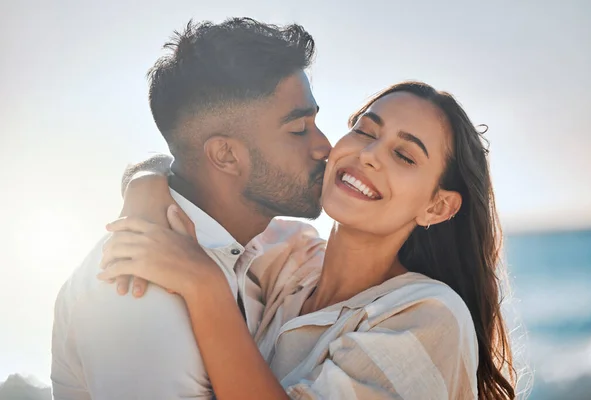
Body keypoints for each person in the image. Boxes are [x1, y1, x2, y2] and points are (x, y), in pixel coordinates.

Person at [100, 82, 517, 399]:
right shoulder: (287, 255)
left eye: (404, 156)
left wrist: (206, 288)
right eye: (366, 130)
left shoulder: (429, 314)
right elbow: (198, 169)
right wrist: (146, 183)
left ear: (437, 208)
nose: (369, 154)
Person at [51, 17, 331, 399]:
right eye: (299, 130)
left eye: (315, 122)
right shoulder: (139, 293)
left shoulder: (256, 254)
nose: (325, 147)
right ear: (226, 155)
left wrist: (145, 176)